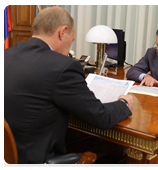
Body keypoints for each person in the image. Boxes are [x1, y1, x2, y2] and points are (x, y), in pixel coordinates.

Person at [4, 6, 133, 166]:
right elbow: (101, 118)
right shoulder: (63, 66)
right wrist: (124, 102)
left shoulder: (6, 55)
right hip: (33, 162)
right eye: (71, 41)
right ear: (62, 32)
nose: (68, 51)